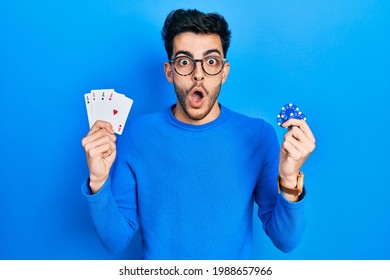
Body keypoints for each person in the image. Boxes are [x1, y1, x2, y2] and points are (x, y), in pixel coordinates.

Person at [81, 9, 315, 260]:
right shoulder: (137, 135)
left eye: (211, 61)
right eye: (184, 62)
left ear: (224, 72)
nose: (198, 74)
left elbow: (286, 240)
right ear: (169, 72)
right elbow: (114, 241)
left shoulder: (258, 136)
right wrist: (98, 180)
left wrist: (290, 180)